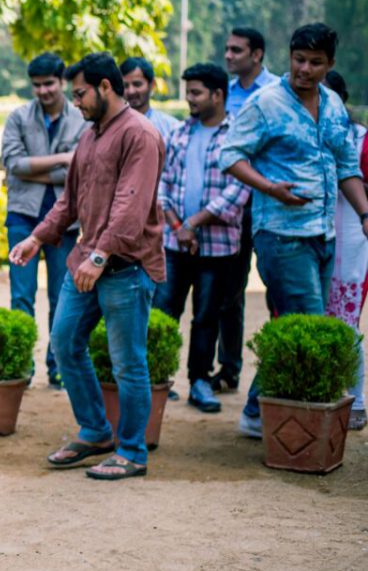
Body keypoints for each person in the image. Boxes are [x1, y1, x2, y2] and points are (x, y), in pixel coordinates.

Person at [11, 52, 164, 481]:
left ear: (104, 87)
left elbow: (130, 208)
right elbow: (69, 202)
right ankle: (96, 431)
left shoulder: (140, 135)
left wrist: (99, 256)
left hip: (126, 269)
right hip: (88, 263)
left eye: (79, 93)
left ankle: (132, 450)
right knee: (64, 344)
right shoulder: (90, 136)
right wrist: (37, 236)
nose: (74, 101)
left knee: (128, 364)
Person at [219, 23, 368, 439]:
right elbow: (229, 155)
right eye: (298, 59)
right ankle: (267, 416)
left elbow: (346, 166)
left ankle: (258, 412)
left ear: (330, 64)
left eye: (315, 63)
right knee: (311, 323)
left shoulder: (334, 104)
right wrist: (270, 188)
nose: (304, 69)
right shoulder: (266, 102)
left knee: (300, 327)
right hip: (281, 234)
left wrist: (365, 214)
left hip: (324, 234)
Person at [153, 63, 250, 415]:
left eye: (196, 92)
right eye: (188, 92)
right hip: (175, 242)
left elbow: (238, 192)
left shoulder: (238, 136)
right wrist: (179, 225)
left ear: (218, 94)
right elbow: (162, 183)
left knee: (207, 316)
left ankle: (199, 381)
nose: (189, 99)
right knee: (164, 310)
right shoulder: (180, 133)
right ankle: (156, 381)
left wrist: (193, 223)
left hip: (218, 246)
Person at [1, 52, 87, 387]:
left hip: (64, 221)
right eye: (36, 85)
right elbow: (13, 165)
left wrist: (35, 168)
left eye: (49, 83)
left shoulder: (81, 119)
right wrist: (63, 161)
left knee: (59, 295)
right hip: (23, 216)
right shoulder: (18, 116)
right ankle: (23, 365)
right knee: (20, 295)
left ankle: (57, 365)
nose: (43, 91)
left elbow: (78, 173)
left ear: (62, 82)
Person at [215, 27, 281, 394]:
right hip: (232, 206)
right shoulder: (224, 94)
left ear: (257, 54)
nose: (228, 56)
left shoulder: (276, 93)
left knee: (277, 291)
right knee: (230, 291)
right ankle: (229, 370)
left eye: (236, 50)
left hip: (269, 203)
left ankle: (274, 372)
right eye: (227, 49)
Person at [320, 70, 367, 431]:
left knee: (346, 322)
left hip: (351, 241)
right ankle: (316, 397)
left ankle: (356, 401)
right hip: (311, 236)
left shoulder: (361, 139)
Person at [120, 57, 180, 140]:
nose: (131, 91)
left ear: (152, 85)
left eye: (137, 84)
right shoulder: (112, 125)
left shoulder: (170, 128)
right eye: (125, 86)